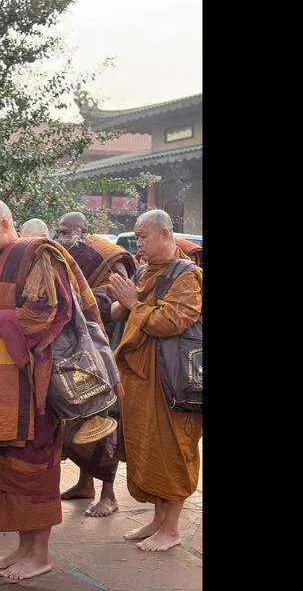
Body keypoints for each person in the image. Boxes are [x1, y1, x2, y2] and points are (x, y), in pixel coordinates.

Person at [0, 199, 101, 581]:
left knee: (35, 469)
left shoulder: (36, 254)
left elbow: (44, 316)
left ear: (4, 223)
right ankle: (23, 548)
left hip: (32, 388)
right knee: (5, 467)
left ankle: (40, 554)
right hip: (1, 390)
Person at [106, 209, 202, 552]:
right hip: (143, 380)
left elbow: (172, 321)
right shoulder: (145, 271)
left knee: (173, 449)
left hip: (172, 381)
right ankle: (158, 520)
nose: (139, 244)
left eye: (143, 236)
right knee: (148, 447)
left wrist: (134, 303)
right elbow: (122, 313)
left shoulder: (187, 275)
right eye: (136, 237)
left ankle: (172, 529)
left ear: (165, 234)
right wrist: (122, 303)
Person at [51, 211, 136, 517]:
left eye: (66, 231)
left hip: (104, 345)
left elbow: (118, 301)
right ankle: (84, 484)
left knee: (103, 419)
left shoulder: (108, 258)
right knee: (78, 417)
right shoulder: (67, 257)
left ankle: (109, 495)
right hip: (76, 344)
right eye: (59, 231)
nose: (61, 237)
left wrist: (88, 303)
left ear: (83, 232)